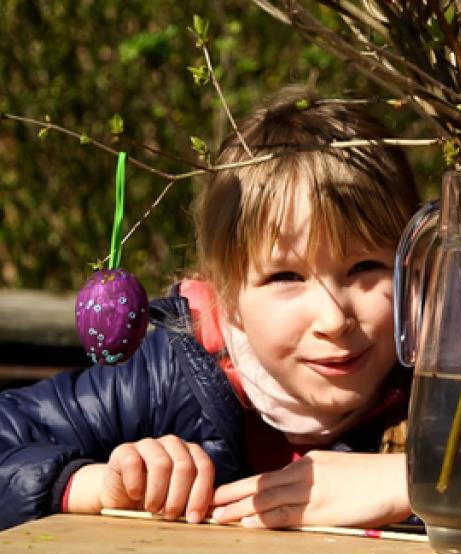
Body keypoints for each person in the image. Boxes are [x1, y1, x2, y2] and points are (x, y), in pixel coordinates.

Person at [0, 86, 419, 531]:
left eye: (365, 267)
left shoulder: (453, 377)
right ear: (228, 293)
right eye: (286, 277)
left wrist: (416, 483)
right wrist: (95, 485)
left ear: (413, 265)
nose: (334, 320)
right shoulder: (166, 371)